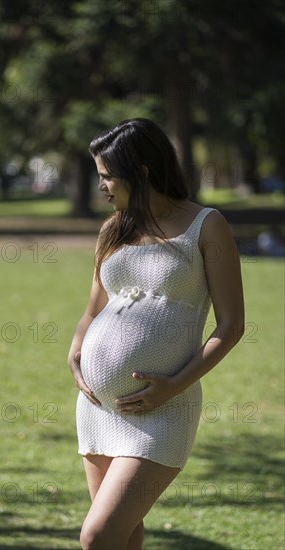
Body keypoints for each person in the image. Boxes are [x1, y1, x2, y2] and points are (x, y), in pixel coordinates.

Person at [67, 118, 244, 550]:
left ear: (142, 171)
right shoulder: (114, 228)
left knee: (96, 536)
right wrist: (77, 350)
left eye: (108, 176)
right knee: (123, 537)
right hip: (98, 407)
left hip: (163, 409)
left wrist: (172, 388)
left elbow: (231, 325)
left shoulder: (206, 225)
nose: (102, 187)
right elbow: (95, 307)